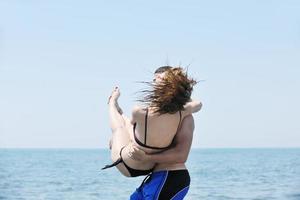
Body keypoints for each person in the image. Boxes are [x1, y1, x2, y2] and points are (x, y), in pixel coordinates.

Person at [103, 66, 201, 178]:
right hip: (150, 166)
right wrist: (181, 93)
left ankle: (112, 102)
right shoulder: (183, 111)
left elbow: (129, 128)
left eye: (157, 79)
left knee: (119, 129)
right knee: (126, 125)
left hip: (126, 163)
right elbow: (198, 104)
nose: (154, 81)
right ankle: (119, 112)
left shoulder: (140, 111)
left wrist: (115, 139)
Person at [128, 69, 201, 200]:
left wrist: (147, 158)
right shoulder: (149, 114)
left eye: (160, 79)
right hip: (155, 177)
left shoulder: (184, 116)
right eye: (154, 79)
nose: (155, 82)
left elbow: (181, 155)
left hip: (170, 176)